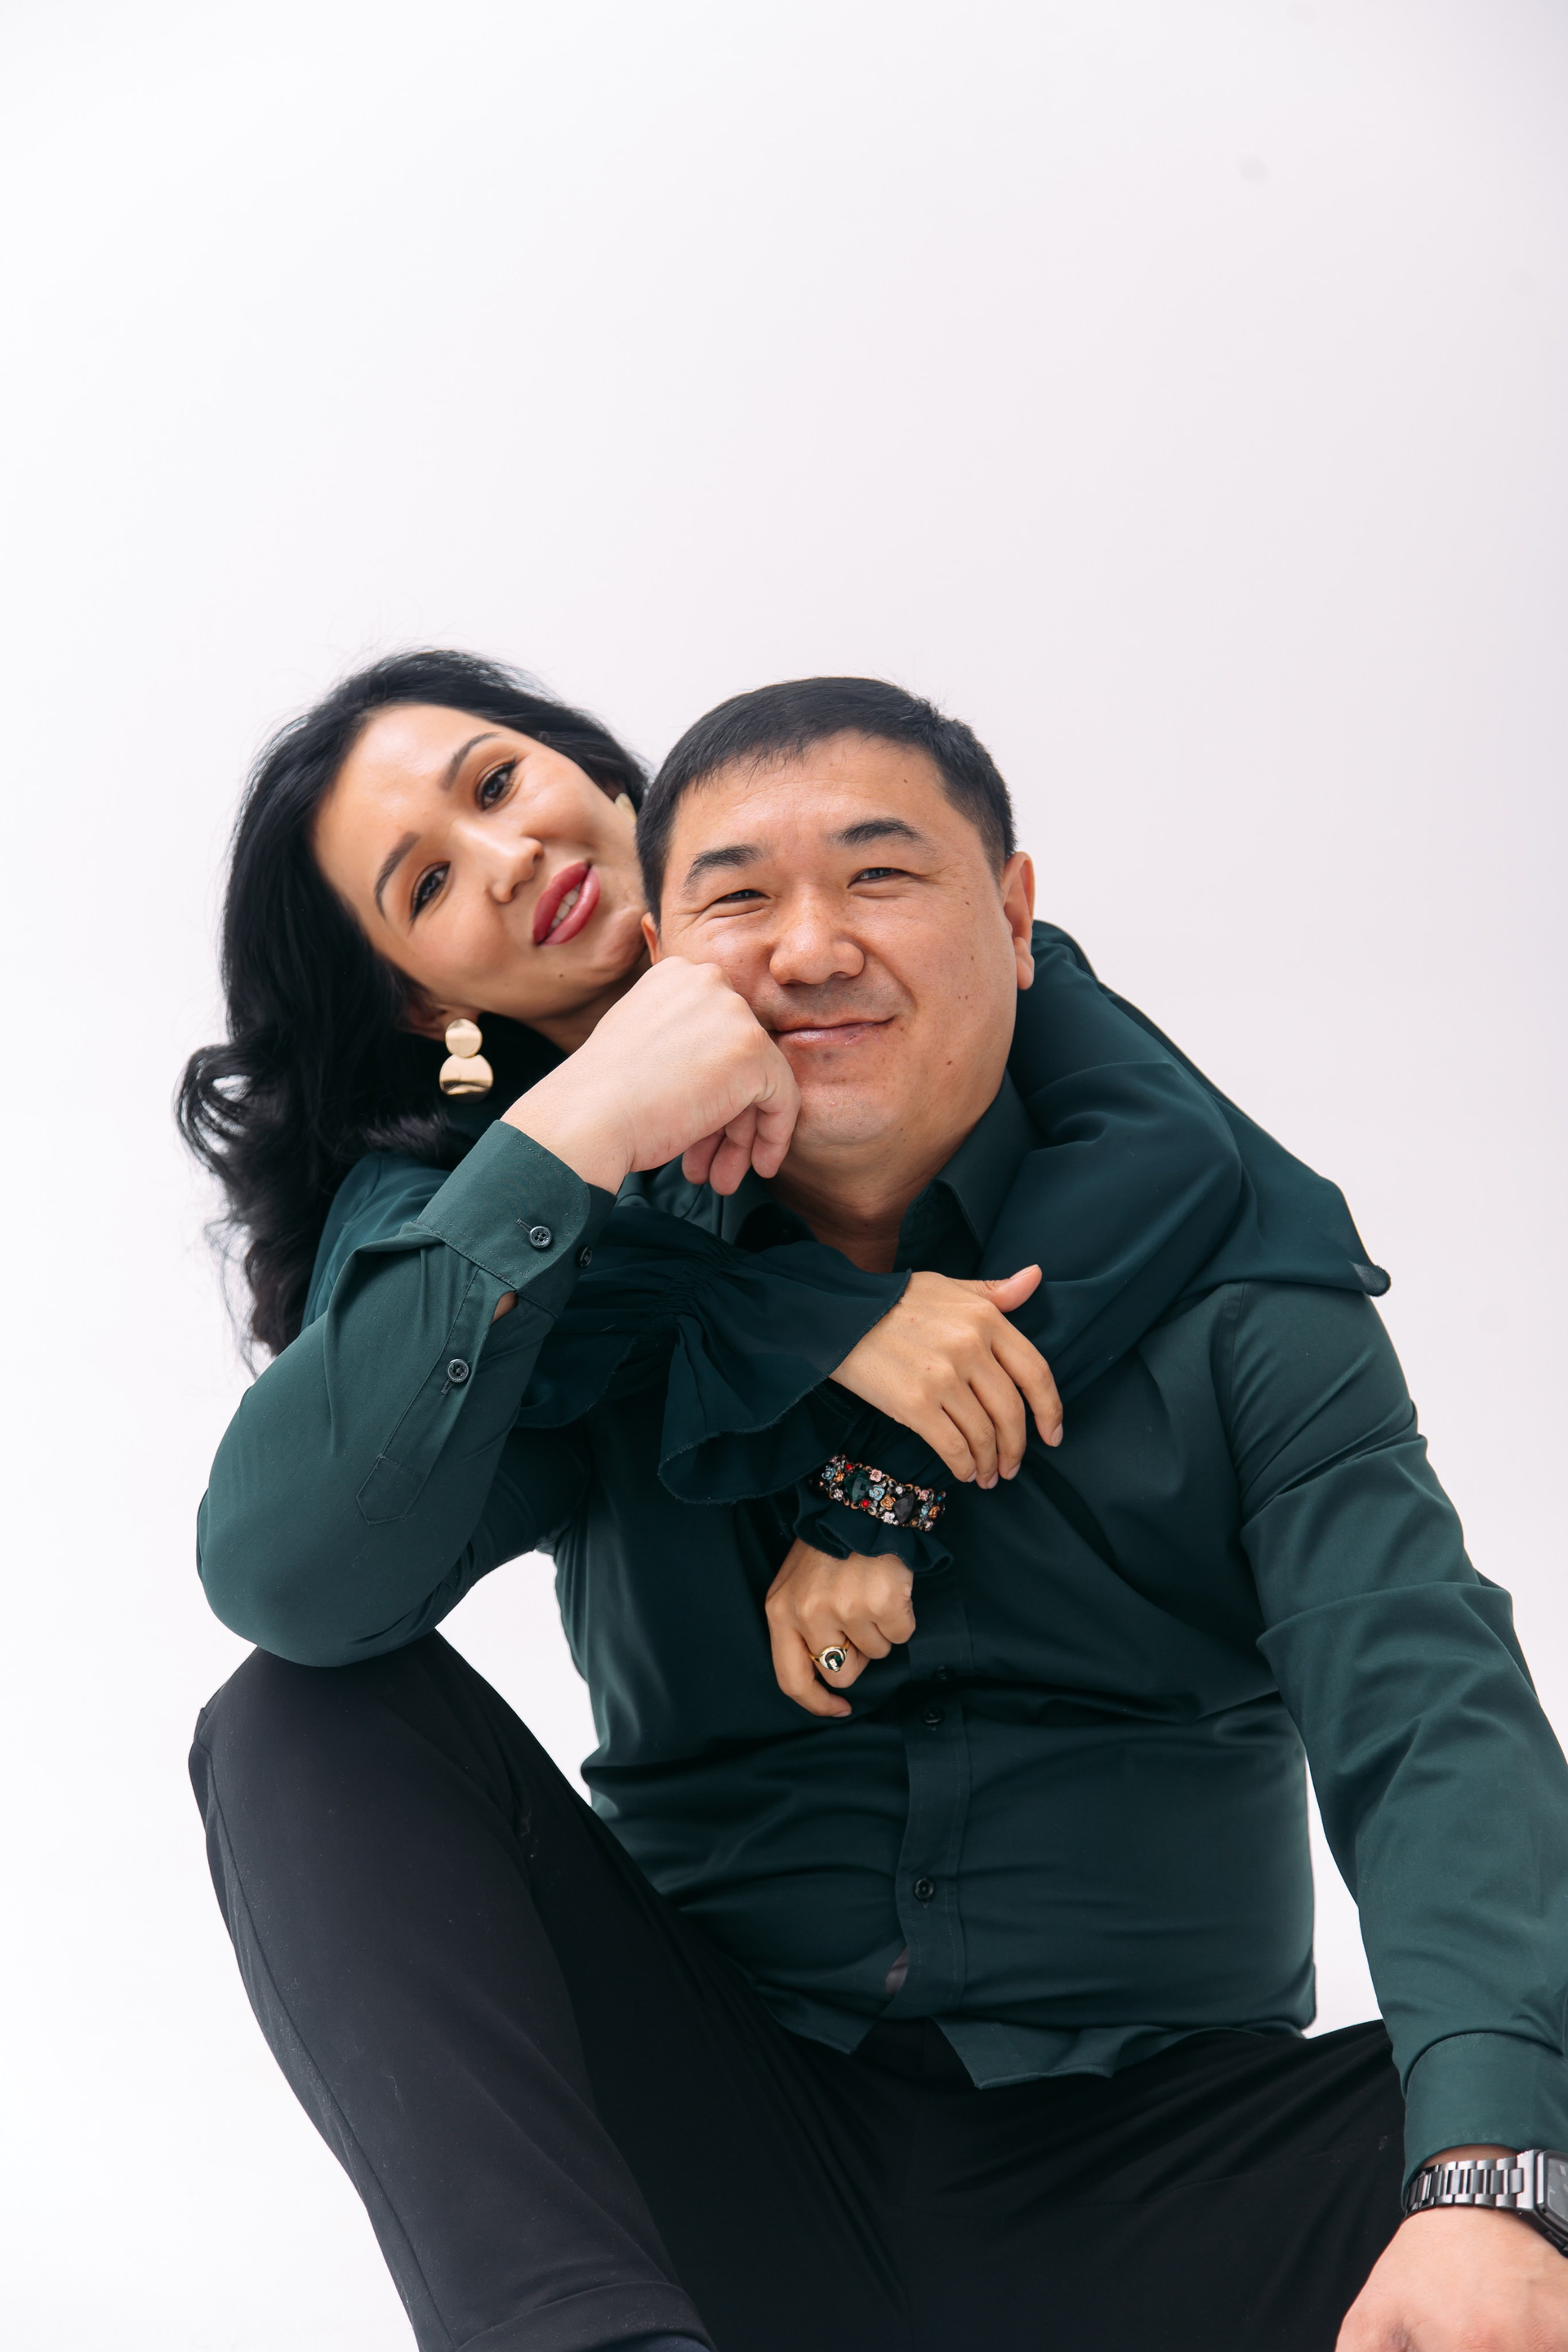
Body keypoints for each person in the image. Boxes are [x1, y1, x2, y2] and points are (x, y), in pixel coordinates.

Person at [185, 674, 1568, 2352]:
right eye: (743, 901)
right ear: (664, 956)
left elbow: (1432, 1723)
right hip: (736, 2162)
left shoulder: (1235, 1291)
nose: (812, 946)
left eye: (879, 878)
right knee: (300, 1721)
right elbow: (288, 1578)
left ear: (1018, 919)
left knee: (1532, 2128)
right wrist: (584, 1128)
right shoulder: (574, 1312)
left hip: (1166, 2169)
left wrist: (1490, 2182)